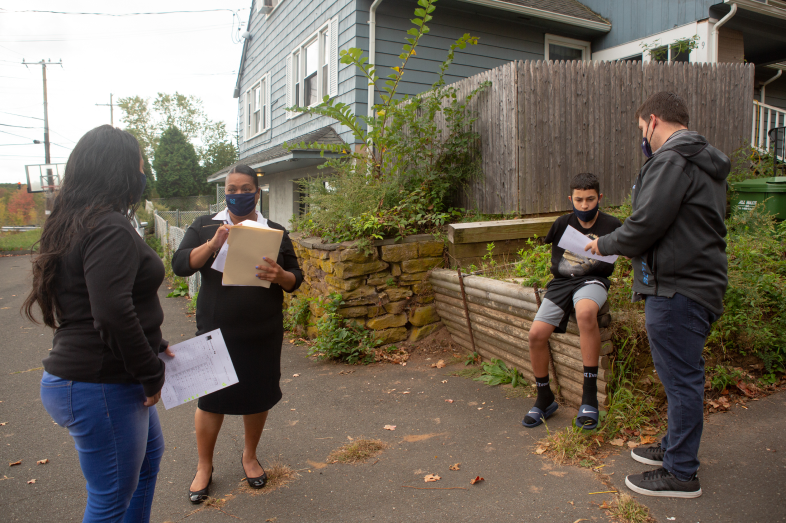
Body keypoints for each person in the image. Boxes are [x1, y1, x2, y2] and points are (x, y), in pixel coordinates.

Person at [24, 125, 172, 522]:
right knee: (108, 501)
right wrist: (151, 372)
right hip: (101, 383)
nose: (144, 175)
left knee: (146, 464)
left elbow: (95, 303)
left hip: (94, 380)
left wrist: (154, 343)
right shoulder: (110, 226)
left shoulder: (75, 222)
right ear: (121, 171)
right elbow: (110, 311)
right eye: (140, 166)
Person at [585, 91, 729, 498]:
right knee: (679, 377)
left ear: (652, 121)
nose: (642, 138)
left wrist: (605, 243)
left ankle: (681, 474)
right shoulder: (703, 160)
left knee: (682, 381)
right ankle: (672, 450)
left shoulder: (672, 159)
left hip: (678, 288)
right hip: (696, 282)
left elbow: (647, 224)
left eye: (641, 130)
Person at [172, 164, 303, 504]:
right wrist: (213, 244)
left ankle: (249, 456)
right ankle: (204, 467)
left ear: (257, 193)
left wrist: (280, 275)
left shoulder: (274, 231)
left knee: (257, 395)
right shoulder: (204, 226)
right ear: (224, 191)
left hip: (262, 330)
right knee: (211, 400)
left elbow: (295, 280)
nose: (240, 194)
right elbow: (181, 264)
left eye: (247, 189)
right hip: (217, 328)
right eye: (233, 188)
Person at [523, 173, 622, 431]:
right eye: (579, 200)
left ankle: (589, 399)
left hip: (593, 281)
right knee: (536, 334)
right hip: (561, 284)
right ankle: (545, 397)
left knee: (586, 313)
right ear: (571, 199)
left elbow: (627, 249)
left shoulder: (612, 224)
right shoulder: (561, 223)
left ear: (599, 198)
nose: (585, 205)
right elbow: (552, 256)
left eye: (590, 199)